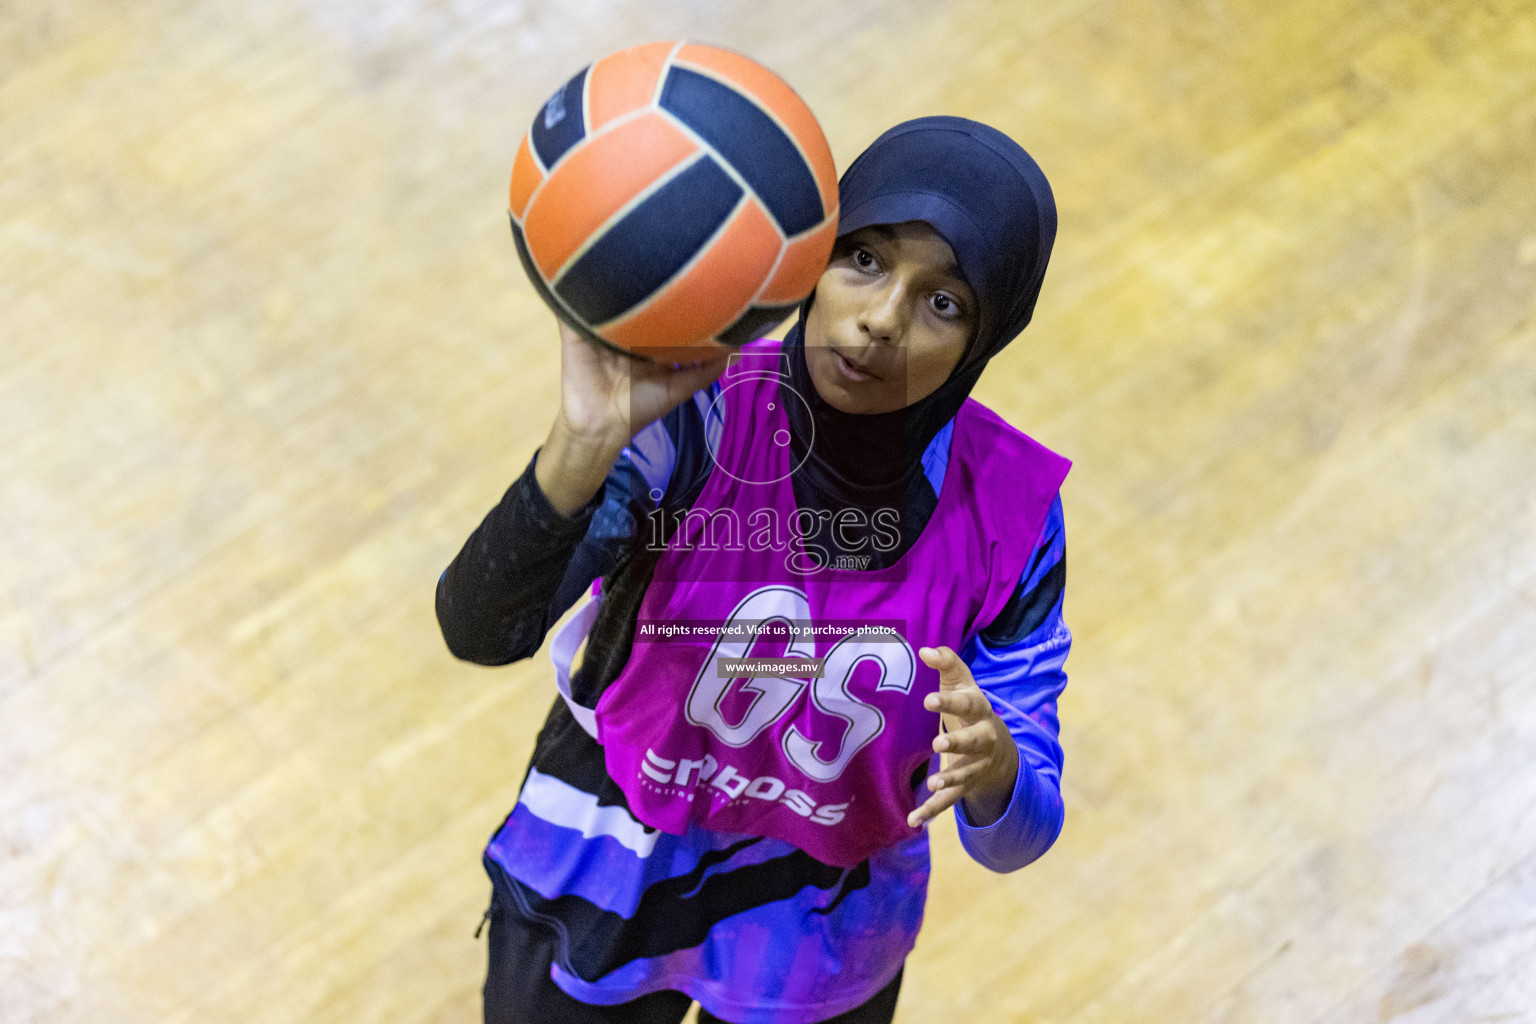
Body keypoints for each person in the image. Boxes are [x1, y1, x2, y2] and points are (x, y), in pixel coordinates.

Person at [437, 116, 1071, 1024]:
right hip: (610, 852)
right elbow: (480, 629)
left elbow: (1018, 840)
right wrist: (581, 440)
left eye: (945, 303)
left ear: (987, 336)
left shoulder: (1014, 515)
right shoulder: (694, 415)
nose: (882, 318)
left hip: (820, 919)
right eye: (864, 259)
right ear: (812, 260)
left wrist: (999, 768)